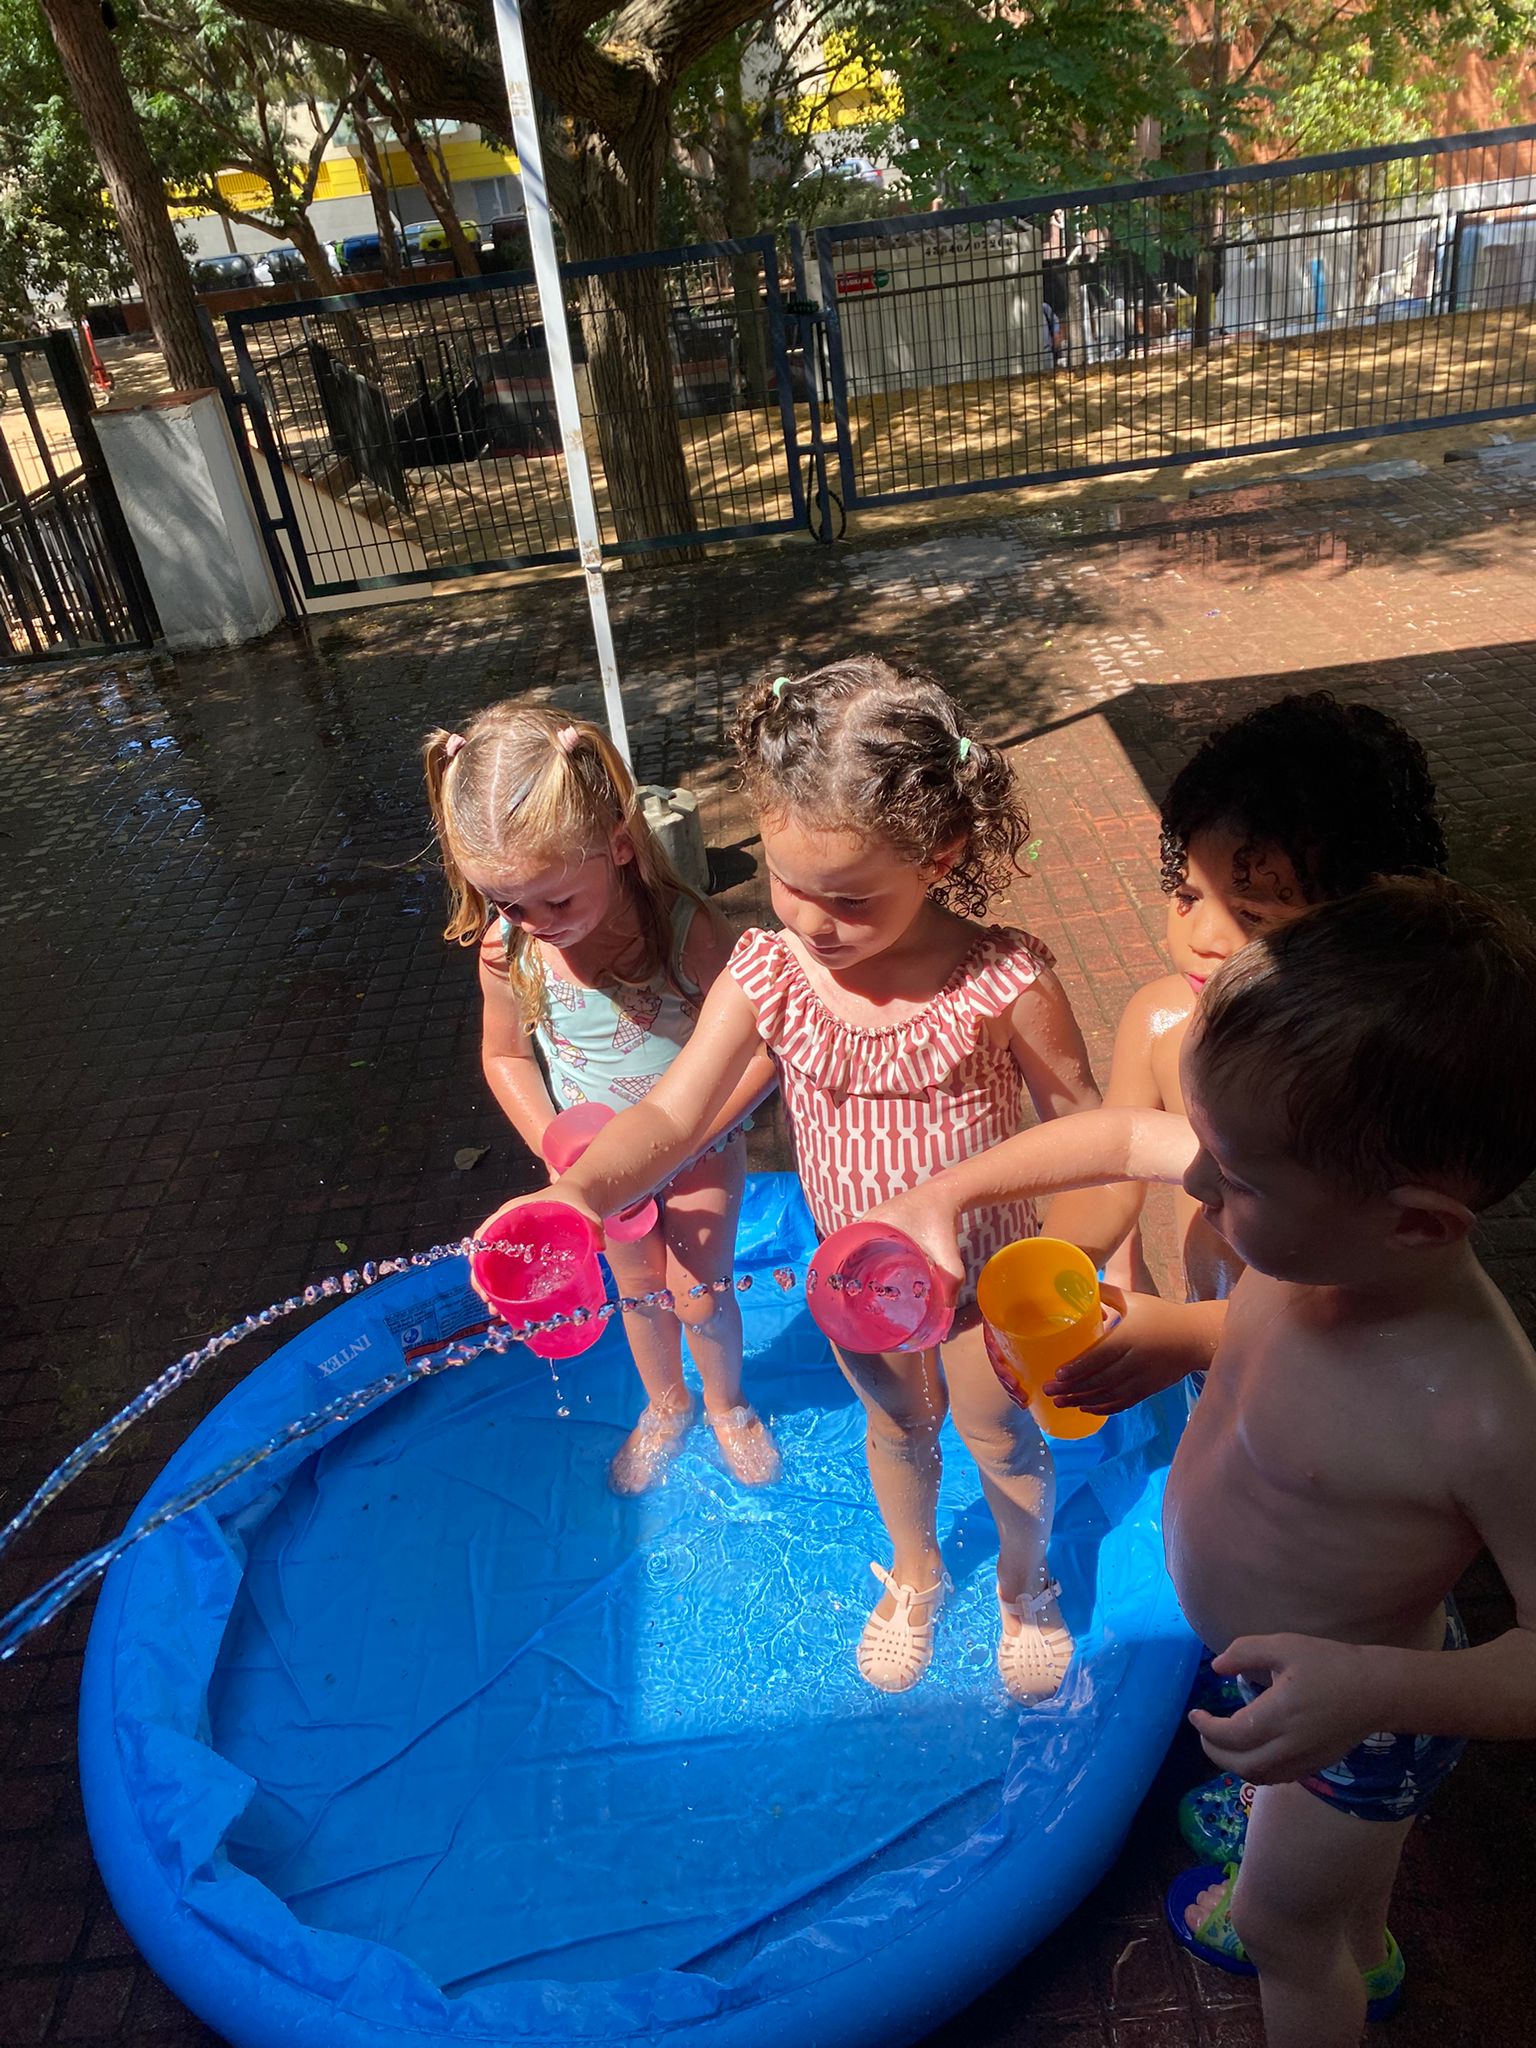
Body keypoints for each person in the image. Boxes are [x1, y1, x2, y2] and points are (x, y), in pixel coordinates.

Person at [868, 876, 1536, 2046]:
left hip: (1358, 1711)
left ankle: (1326, 1938)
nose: (1194, 1185)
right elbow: (1129, 1136)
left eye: (1235, 1180)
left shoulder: (1482, 1410)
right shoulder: (1323, 1221)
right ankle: (1346, 1901)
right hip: (1281, 1670)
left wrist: (1369, 1690)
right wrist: (949, 1188)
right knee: (1322, 1875)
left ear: (1419, 1221)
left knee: (1286, 1931)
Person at [478, 657, 1103, 1699]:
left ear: (941, 855)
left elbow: (1089, 1133)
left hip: (991, 1283)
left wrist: (1072, 1274)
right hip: (860, 1281)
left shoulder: (1002, 982)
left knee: (999, 1432)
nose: (812, 920)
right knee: (896, 1424)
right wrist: (578, 1194)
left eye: (850, 898)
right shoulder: (771, 973)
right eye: (787, 881)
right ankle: (916, 1571)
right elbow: (673, 1113)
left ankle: (1022, 1579)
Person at [1042, 691, 1446, 1406]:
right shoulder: (1163, 1020)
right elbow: (1114, 1173)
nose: (1204, 938)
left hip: (1320, 1388)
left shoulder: (1373, 1075)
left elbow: (1368, 1301)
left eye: (1253, 914)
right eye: (1187, 895)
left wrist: (1194, 1335)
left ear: (1362, 918)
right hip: (1204, 1349)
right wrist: (1058, 1270)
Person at [425, 704, 779, 1494]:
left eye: (556, 901)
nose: (537, 924)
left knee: (698, 1292)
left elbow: (762, 1048)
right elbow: (504, 1055)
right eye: (509, 903)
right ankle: (666, 1403)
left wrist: (690, 1141)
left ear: (619, 844)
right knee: (639, 1291)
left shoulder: (685, 930)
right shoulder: (508, 948)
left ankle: (727, 1403)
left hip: (702, 1144)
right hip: (598, 1166)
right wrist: (561, 1156)